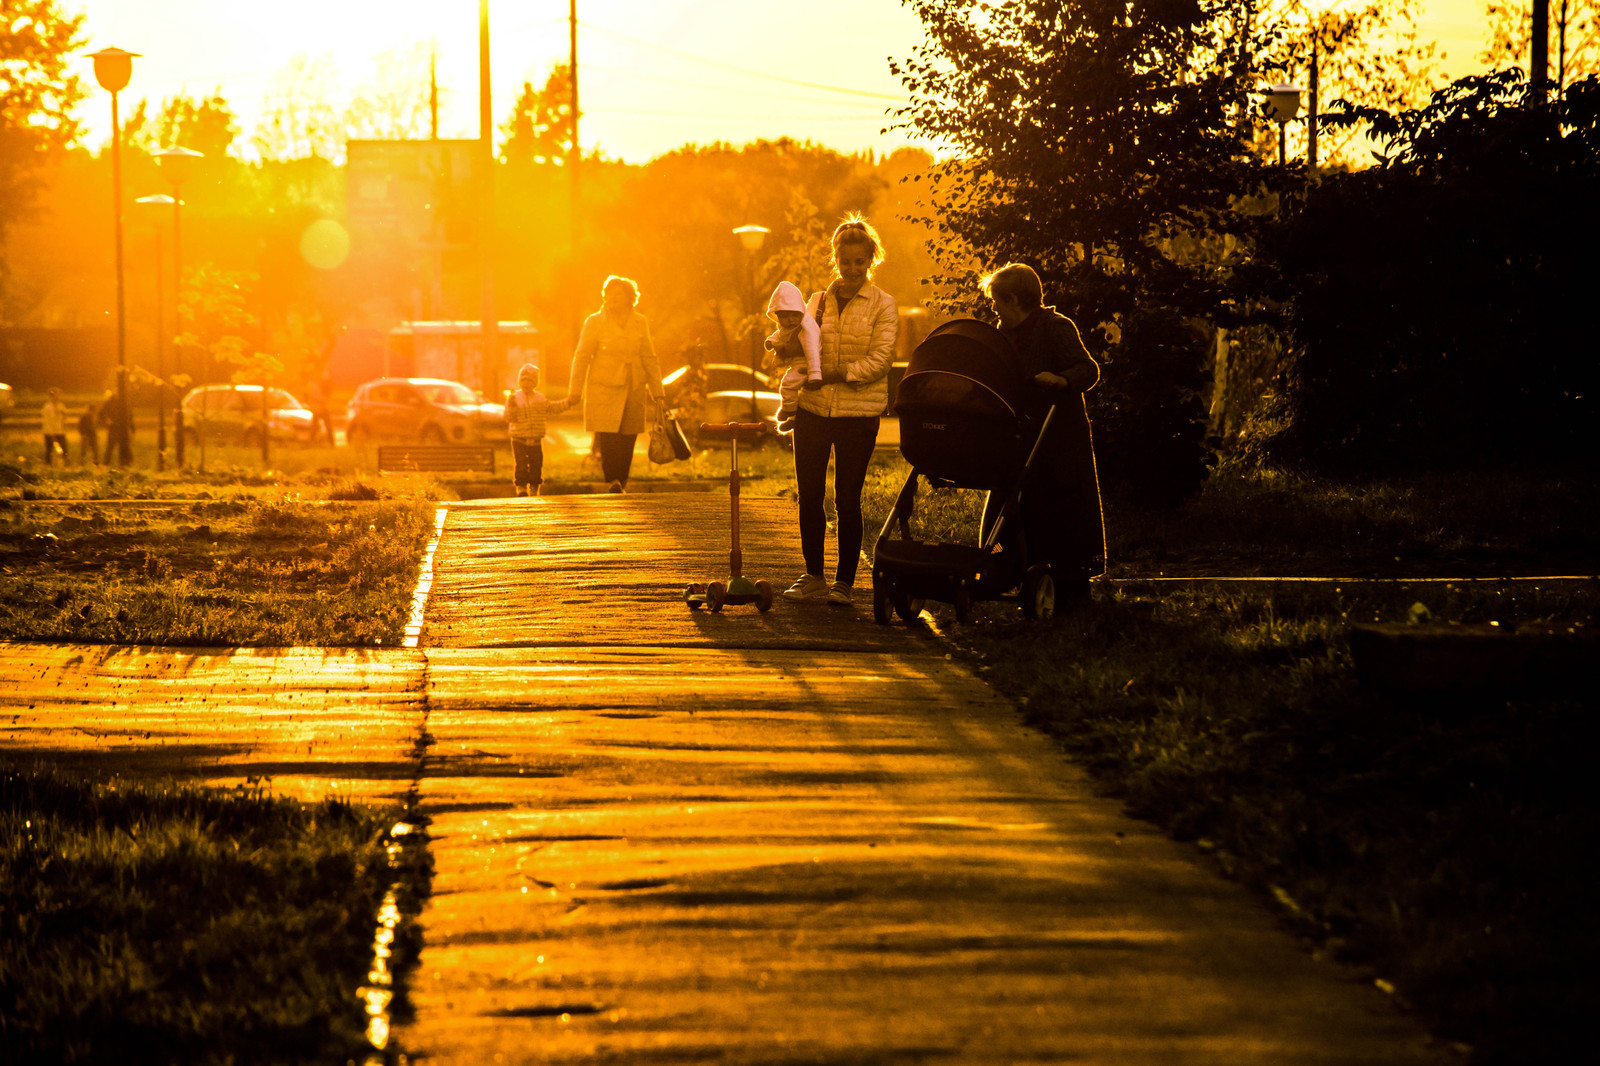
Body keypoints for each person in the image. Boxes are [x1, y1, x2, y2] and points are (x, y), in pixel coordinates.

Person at [782, 216, 899, 607]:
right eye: (845, 261)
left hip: (857, 415)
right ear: (836, 259)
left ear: (870, 261)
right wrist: (785, 349)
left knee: (848, 497)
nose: (852, 269)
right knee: (809, 493)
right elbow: (801, 344)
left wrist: (835, 374)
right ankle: (813, 574)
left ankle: (844, 582)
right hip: (813, 410)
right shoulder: (815, 302)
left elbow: (881, 360)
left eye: (859, 262)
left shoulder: (883, 305)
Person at [979, 262, 1106, 601]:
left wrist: (1062, 379)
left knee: (1059, 509)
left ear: (1015, 299)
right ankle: (1011, 569)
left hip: (1060, 437)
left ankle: (1068, 582)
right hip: (1020, 434)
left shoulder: (1055, 327)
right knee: (1011, 500)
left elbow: (1087, 369)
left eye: (997, 301)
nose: (994, 308)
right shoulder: (1003, 333)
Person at [569, 275, 666, 492]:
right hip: (604, 386)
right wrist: (575, 391)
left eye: (618, 294)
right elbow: (582, 356)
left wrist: (658, 390)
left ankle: (622, 480)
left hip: (633, 385)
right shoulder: (594, 322)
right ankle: (612, 480)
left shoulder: (640, 322)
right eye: (609, 293)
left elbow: (649, 357)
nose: (612, 298)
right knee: (608, 434)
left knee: (628, 436)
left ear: (630, 298)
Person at [764, 280, 823, 433]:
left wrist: (815, 374)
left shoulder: (806, 329)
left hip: (807, 364)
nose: (790, 320)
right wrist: (771, 341)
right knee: (795, 392)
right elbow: (781, 334)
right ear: (777, 316)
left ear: (801, 312)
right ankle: (793, 418)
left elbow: (812, 352)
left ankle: (789, 411)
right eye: (784, 316)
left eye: (794, 315)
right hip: (798, 363)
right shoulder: (790, 327)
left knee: (788, 384)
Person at [505, 362, 572, 497]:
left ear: (535, 383)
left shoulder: (539, 399)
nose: (526, 384)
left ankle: (534, 487)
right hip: (518, 438)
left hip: (535, 439)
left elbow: (552, 407)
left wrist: (568, 403)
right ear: (519, 381)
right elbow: (507, 416)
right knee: (521, 464)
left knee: (536, 464)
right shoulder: (514, 398)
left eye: (530, 381)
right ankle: (521, 487)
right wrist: (511, 412)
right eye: (523, 380)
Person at [40, 388, 69, 465]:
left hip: (60, 431)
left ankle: (65, 464)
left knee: (64, 449)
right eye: (57, 395)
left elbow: (64, 417)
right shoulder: (47, 407)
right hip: (49, 432)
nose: (58, 397)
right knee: (49, 450)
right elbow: (47, 421)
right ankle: (48, 465)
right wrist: (50, 433)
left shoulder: (61, 405)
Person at [77, 399, 100, 465]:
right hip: (87, 436)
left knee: (92, 451)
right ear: (92, 409)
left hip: (90, 436)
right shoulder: (86, 416)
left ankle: (85, 463)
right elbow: (82, 426)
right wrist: (83, 434)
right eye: (95, 409)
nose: (96, 411)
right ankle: (84, 463)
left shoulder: (90, 416)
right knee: (90, 451)